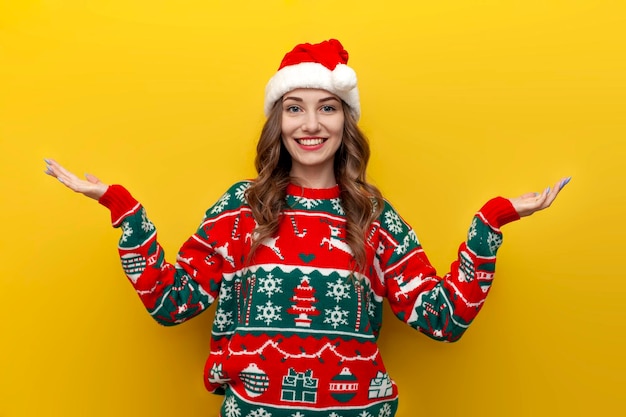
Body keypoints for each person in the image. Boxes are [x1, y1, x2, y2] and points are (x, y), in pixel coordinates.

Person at [45, 39, 569, 417]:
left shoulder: (372, 215)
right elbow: (170, 303)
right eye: (294, 108)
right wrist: (122, 210)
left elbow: (444, 319)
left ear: (346, 123)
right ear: (279, 121)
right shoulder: (242, 208)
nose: (311, 124)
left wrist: (490, 223)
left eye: (328, 109)